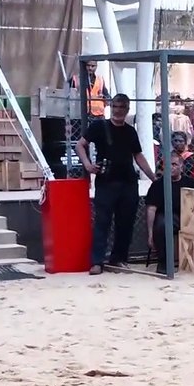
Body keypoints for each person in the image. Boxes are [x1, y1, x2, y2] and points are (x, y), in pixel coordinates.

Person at [75, 93, 155, 275]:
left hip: (128, 181)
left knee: (125, 222)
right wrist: (87, 165)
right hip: (106, 181)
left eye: (122, 107)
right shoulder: (99, 126)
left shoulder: (130, 131)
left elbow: (138, 155)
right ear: (111, 107)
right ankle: (97, 261)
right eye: (116, 107)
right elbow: (80, 145)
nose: (119, 110)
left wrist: (152, 177)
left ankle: (119, 258)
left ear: (127, 110)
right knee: (102, 222)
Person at [145, 152, 194, 275]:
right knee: (163, 224)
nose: (171, 167)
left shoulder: (190, 183)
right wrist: (149, 233)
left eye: (175, 164)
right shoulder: (158, 185)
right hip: (165, 218)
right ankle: (164, 263)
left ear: (182, 166)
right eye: (168, 165)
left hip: (187, 217)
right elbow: (151, 209)